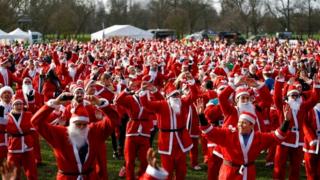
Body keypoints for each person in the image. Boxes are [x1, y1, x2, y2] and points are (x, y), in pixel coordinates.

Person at [31, 92, 119, 180]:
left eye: (84, 124)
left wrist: (100, 103)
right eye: (78, 124)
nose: (81, 127)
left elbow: (114, 120)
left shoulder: (93, 131)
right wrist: (55, 102)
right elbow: (36, 122)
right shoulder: (60, 133)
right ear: (71, 123)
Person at [197, 98, 290, 180]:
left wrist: (286, 121)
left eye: (244, 123)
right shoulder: (228, 134)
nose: (240, 125)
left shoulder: (258, 137)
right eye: (239, 122)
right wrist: (201, 116)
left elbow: (277, 137)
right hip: (228, 173)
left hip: (248, 173)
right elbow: (209, 131)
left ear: (251, 125)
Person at [140, 73, 196, 180]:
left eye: (177, 95)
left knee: (181, 169)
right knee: (167, 170)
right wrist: (143, 91)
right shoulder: (161, 105)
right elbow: (146, 104)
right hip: (166, 141)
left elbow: (193, 96)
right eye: (173, 95)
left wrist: (192, 82)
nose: (176, 97)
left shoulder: (182, 103)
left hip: (180, 140)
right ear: (168, 97)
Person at [273, 73, 320, 180]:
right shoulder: (283, 107)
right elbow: (276, 98)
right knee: (279, 165)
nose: (295, 97)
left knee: (296, 167)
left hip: (298, 141)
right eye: (292, 95)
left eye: (297, 95)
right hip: (284, 139)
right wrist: (279, 81)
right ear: (288, 97)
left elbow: (314, 99)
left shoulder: (302, 107)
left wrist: (316, 85)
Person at [6, 96, 38, 180]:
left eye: (20, 104)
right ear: (12, 105)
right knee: (13, 168)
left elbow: (33, 127)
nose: (19, 106)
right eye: (16, 104)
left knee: (31, 167)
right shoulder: (7, 117)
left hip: (27, 144)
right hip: (14, 145)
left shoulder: (28, 114)